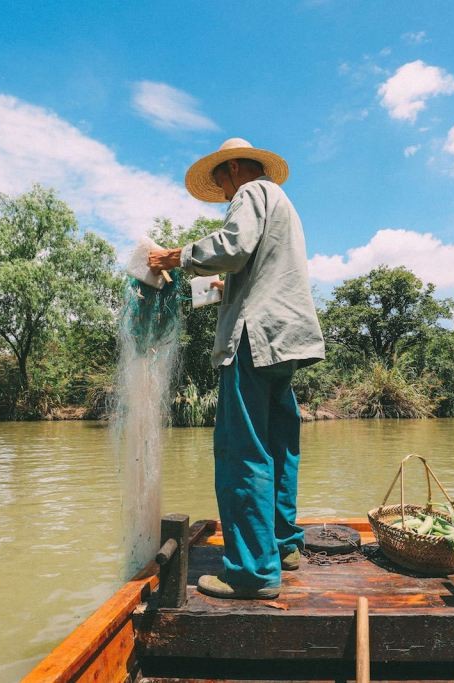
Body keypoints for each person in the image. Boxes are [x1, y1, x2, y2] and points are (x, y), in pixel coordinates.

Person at [148, 137, 324, 599]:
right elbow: (257, 267)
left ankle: (251, 572)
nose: (224, 193)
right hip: (285, 338)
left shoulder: (251, 192)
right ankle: (284, 546)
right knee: (278, 445)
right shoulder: (283, 204)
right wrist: (220, 286)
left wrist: (176, 257)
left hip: (252, 338)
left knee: (241, 453)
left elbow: (234, 244)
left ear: (234, 170)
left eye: (222, 182)